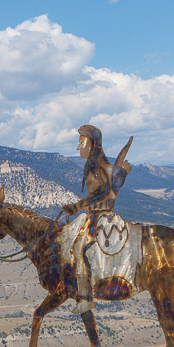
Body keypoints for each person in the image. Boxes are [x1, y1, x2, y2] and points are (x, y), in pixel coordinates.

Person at [60, 125, 132, 299]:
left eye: (82, 143)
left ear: (92, 145)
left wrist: (77, 206)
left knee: (78, 248)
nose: (79, 148)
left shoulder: (100, 164)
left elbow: (104, 192)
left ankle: (85, 296)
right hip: (92, 215)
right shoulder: (93, 164)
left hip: (100, 216)